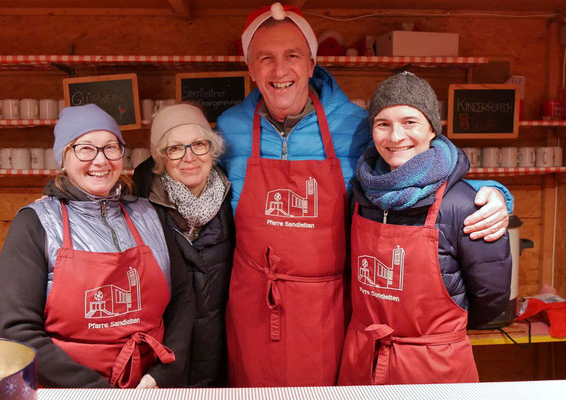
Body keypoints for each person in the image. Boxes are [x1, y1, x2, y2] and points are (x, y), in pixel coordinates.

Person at [216, 2, 513, 387]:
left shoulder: (357, 126)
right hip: (254, 305)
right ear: (250, 68)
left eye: (292, 55)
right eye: (265, 58)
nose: (279, 70)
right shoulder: (229, 127)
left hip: (330, 310)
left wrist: (496, 195)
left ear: (311, 63)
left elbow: (419, 166)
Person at [0, 104, 193, 388]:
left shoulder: (149, 214)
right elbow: (18, 330)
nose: (100, 160)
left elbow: (182, 299)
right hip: (70, 390)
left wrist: (163, 374)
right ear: (63, 157)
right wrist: (98, 392)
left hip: (149, 387)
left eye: (111, 147)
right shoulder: (35, 224)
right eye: (85, 148)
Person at [338, 72, 512, 385]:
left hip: (434, 368)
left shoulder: (467, 205)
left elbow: (491, 298)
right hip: (364, 360)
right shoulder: (361, 194)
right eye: (383, 124)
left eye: (409, 122)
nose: (395, 137)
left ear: (432, 128)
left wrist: (439, 336)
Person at [133, 104, 234, 387]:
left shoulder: (233, 198)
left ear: (212, 149)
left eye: (199, 145)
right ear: (161, 157)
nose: (189, 157)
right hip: (162, 357)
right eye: (175, 148)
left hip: (221, 350)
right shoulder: (139, 206)